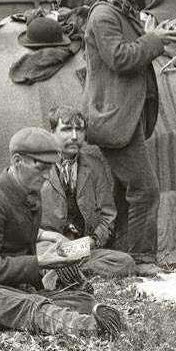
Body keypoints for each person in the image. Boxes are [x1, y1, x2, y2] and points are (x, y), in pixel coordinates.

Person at [0, 127, 125, 338]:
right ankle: (89, 328)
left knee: (82, 300)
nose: (47, 176)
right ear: (18, 161)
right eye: (41, 168)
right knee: (29, 305)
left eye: (51, 167)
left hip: (8, 285)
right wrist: (42, 262)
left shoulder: (31, 196)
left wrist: (56, 249)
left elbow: (14, 235)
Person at [83, 0, 176, 274]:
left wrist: (157, 35)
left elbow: (134, 50)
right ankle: (140, 258)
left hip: (127, 117)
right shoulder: (103, 15)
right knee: (145, 189)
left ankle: (120, 256)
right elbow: (121, 58)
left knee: (127, 188)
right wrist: (155, 38)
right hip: (115, 120)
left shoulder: (122, 11)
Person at [37, 105, 136, 279]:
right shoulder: (39, 165)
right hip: (49, 247)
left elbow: (108, 215)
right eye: (67, 130)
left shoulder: (94, 165)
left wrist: (93, 241)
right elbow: (22, 218)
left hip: (82, 248)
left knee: (125, 262)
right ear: (52, 133)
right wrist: (49, 238)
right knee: (38, 258)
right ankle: (60, 271)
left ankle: (65, 273)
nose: (74, 137)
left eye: (79, 130)